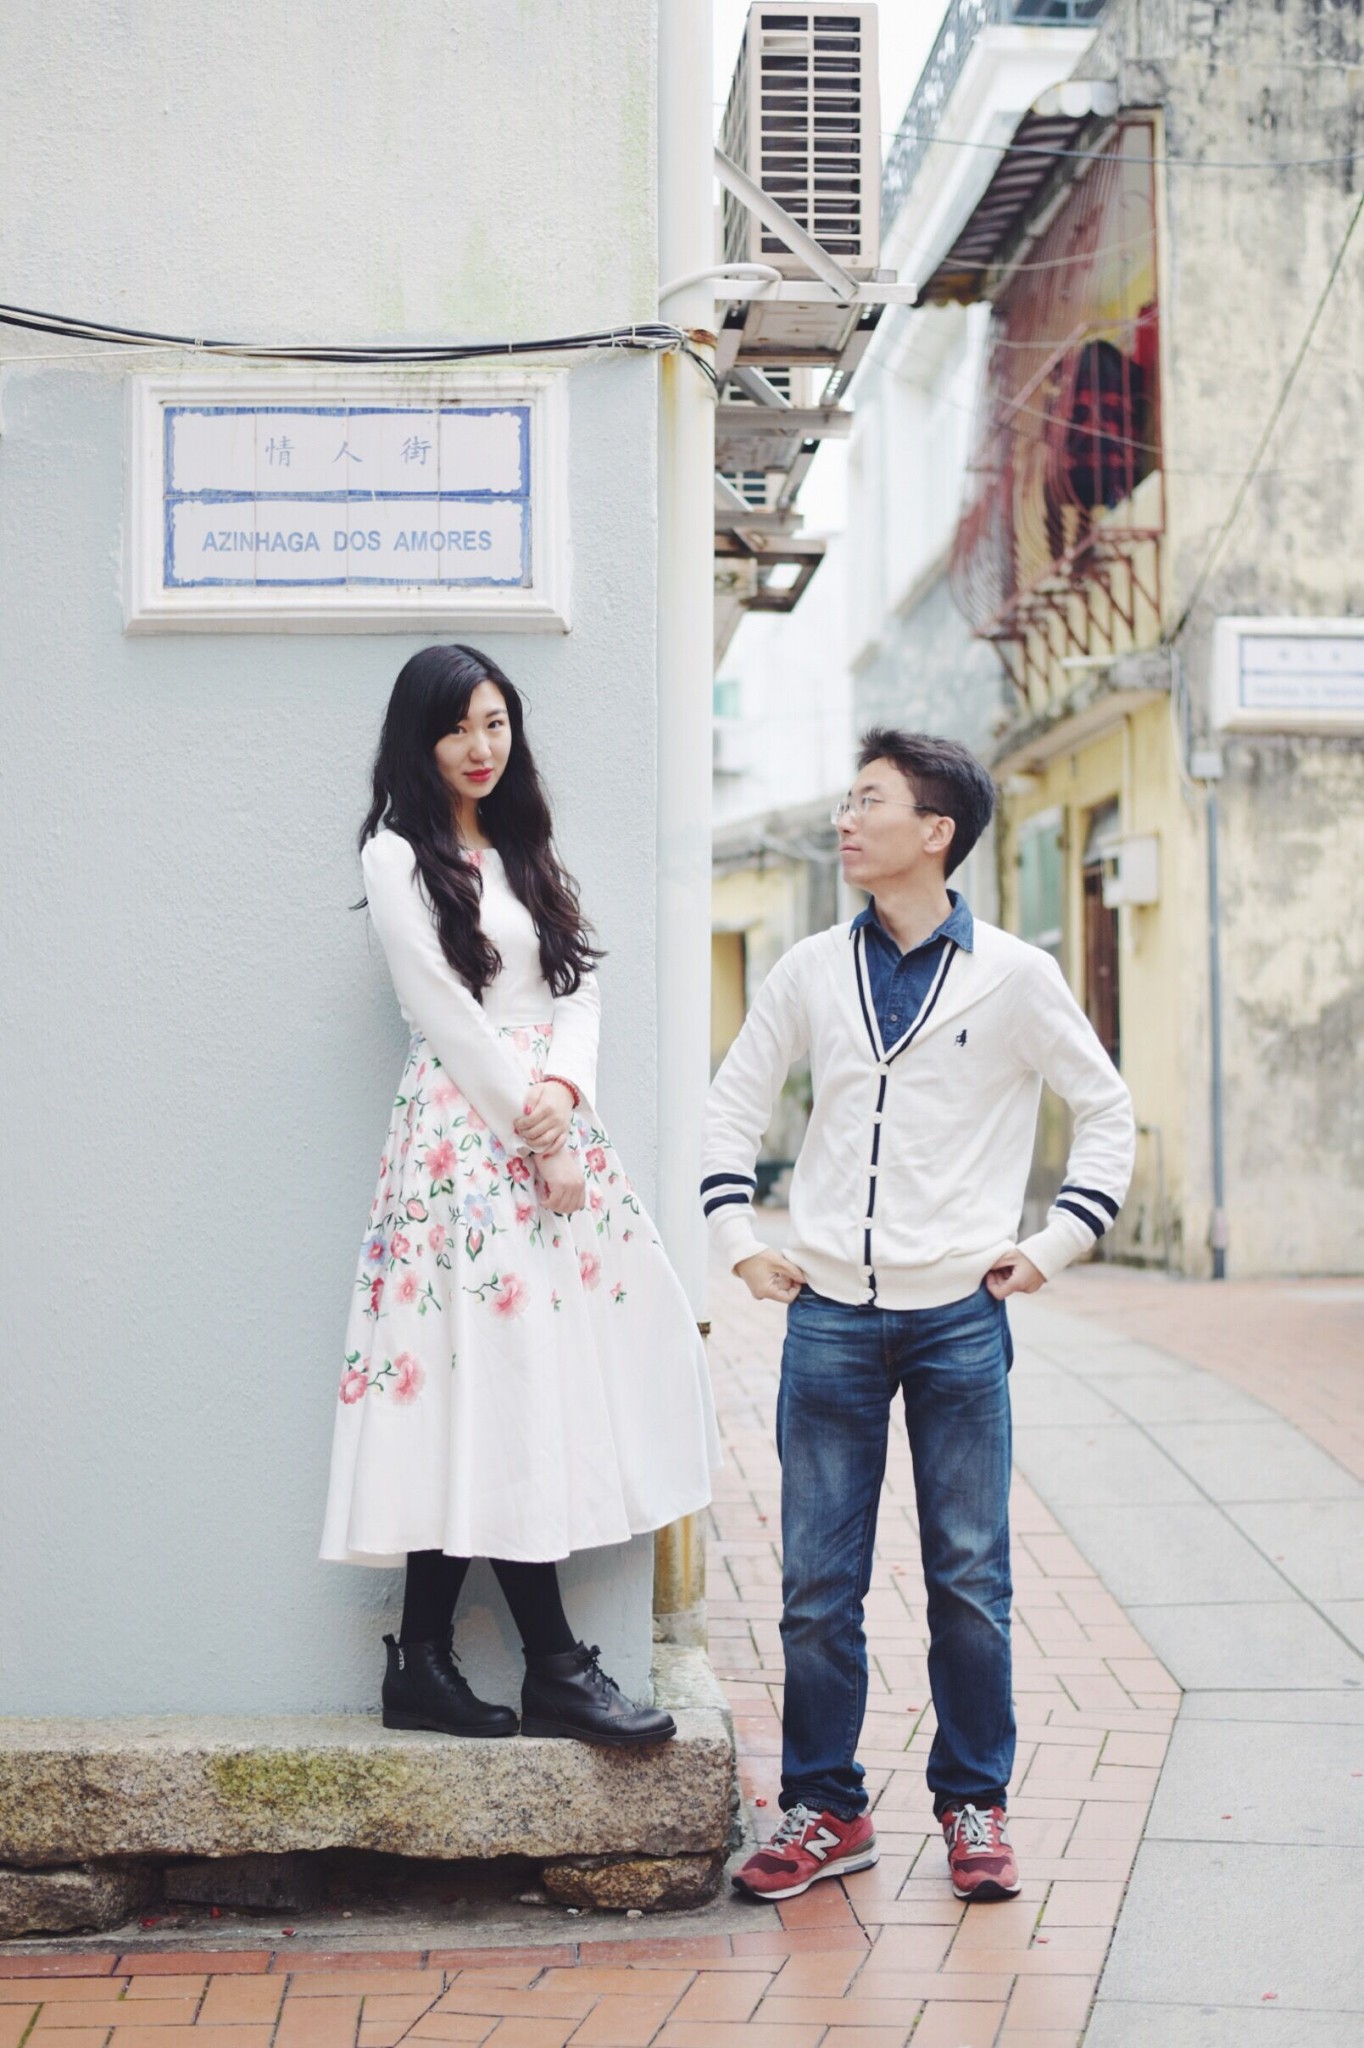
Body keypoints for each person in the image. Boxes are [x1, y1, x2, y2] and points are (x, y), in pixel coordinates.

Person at [703, 729, 1134, 1902]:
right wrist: (738, 1236)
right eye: (844, 800)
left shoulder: (1013, 975)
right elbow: (731, 1102)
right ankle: (824, 1806)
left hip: (957, 1318)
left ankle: (973, 1803)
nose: (844, 820)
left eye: (868, 801)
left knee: (968, 1579)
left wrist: (1053, 1242)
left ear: (935, 830)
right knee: (815, 1587)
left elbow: (1103, 1109)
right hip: (827, 1319)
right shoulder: (808, 968)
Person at [322, 644, 718, 1746]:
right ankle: (549, 1666)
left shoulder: (527, 847)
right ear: (420, 740)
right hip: (464, 1144)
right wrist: (534, 1128)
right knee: (492, 1380)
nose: (480, 746)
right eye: (457, 728)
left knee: (504, 1383)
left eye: (494, 722)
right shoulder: (395, 856)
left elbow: (577, 984)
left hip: (549, 1130)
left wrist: (563, 1093)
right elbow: (443, 1013)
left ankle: (427, 1663)